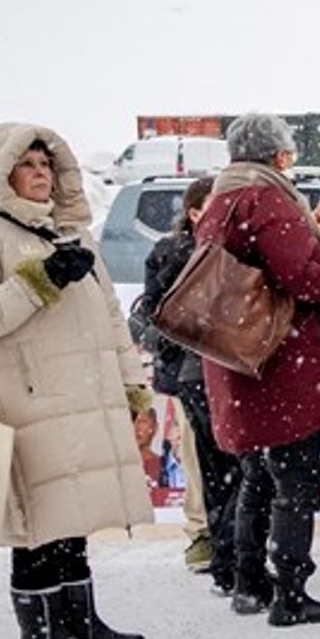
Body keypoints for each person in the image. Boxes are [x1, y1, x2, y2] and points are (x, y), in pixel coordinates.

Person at [0, 123, 152, 639]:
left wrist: (133, 388)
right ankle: (39, 634)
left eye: (47, 165)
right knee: (38, 519)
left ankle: (81, 619)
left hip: (85, 396)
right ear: (0, 174)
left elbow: (109, 319)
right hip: (29, 399)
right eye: (28, 164)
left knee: (73, 514)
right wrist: (36, 283)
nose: (41, 175)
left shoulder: (75, 237)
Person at [198, 113, 320, 626]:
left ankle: (248, 582)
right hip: (281, 358)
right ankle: (291, 592)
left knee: (255, 474)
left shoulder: (220, 200)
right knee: (294, 481)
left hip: (237, 355)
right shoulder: (267, 199)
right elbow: (299, 276)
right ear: (280, 156)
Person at [129, 175, 236, 577]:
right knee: (199, 458)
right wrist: (171, 340)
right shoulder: (173, 252)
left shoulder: (234, 250)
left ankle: (230, 540)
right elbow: (149, 313)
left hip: (226, 372)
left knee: (224, 461)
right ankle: (205, 535)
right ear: (194, 213)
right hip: (188, 374)